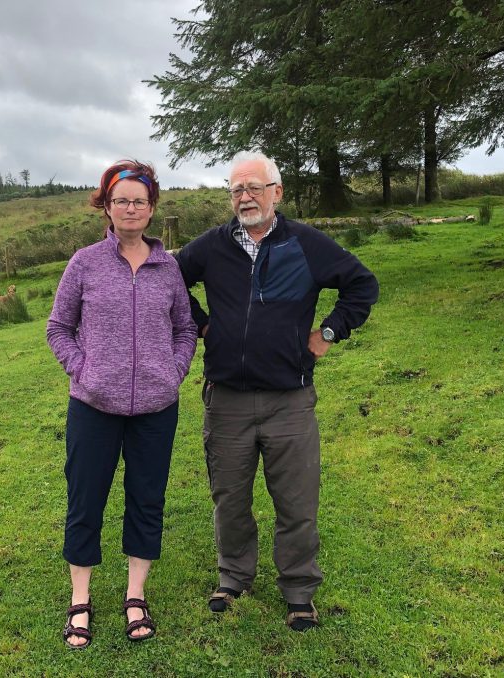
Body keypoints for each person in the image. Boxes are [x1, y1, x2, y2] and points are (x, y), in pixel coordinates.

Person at [175, 151, 379, 631]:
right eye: (236, 190)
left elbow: (361, 285)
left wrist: (327, 334)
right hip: (225, 399)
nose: (244, 197)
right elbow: (168, 284)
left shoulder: (305, 244)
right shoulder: (211, 247)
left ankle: (299, 590)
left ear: (277, 193)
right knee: (230, 497)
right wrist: (202, 323)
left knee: (297, 502)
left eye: (253, 188)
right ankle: (234, 577)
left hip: (290, 399)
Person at [47, 160, 197, 648]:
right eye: (121, 200)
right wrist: (83, 370)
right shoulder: (84, 263)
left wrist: (172, 372)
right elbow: (57, 328)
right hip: (93, 407)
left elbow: (184, 328)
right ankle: (80, 601)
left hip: (156, 408)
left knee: (146, 499)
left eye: (140, 200)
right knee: (85, 500)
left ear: (152, 208)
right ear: (106, 207)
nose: (130, 208)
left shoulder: (167, 267)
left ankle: (135, 596)